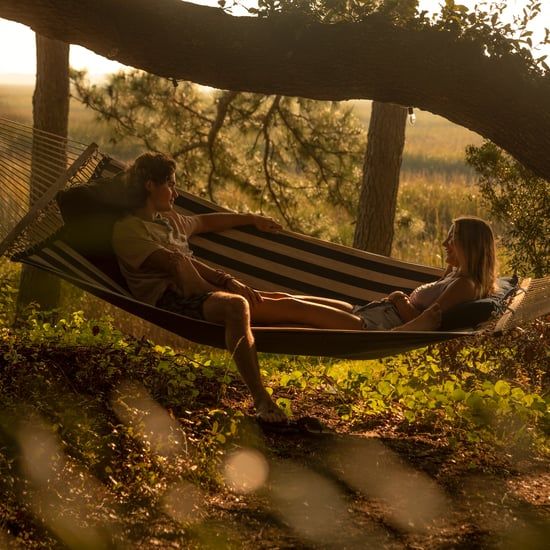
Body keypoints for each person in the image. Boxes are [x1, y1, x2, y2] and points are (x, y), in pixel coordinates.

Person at [112, 153, 494, 421]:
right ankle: (260, 398)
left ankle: (254, 312)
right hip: (176, 299)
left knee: (283, 300)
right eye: (172, 185)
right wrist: (229, 279)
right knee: (251, 304)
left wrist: (252, 219)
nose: (176, 193)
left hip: (380, 322)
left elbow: (205, 223)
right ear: (150, 185)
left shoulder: (170, 221)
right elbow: (176, 265)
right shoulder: (131, 229)